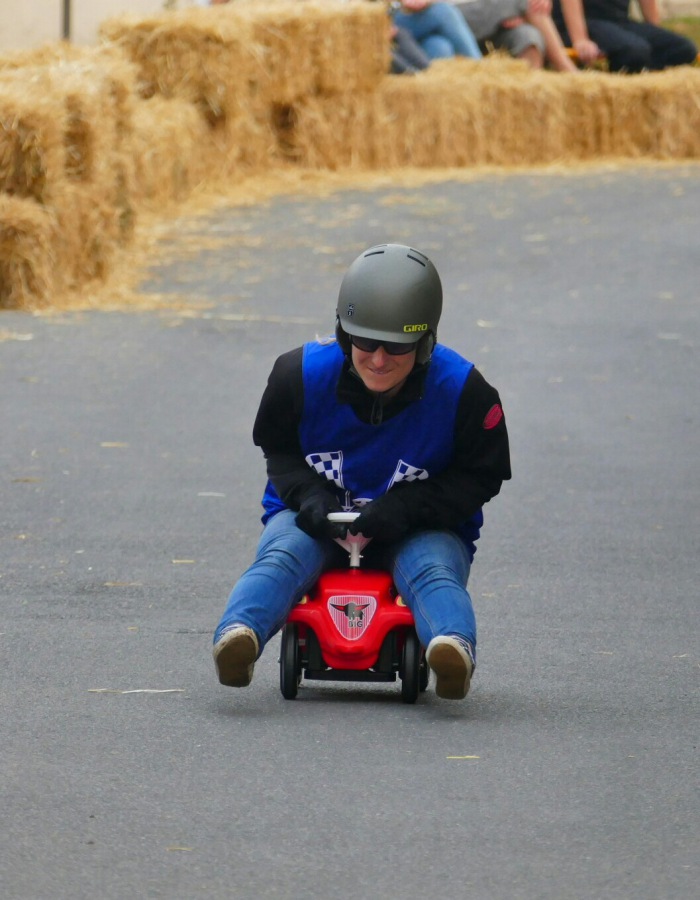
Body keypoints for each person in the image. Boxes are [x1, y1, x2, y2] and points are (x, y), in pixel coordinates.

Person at [212, 243, 512, 701]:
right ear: (342, 331)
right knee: (284, 555)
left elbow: (482, 475)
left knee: (431, 570)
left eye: (396, 346)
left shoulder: (466, 394)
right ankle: (239, 636)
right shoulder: (297, 376)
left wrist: (411, 507)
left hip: (419, 525)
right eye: (364, 341)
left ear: (425, 342)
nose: (377, 358)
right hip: (316, 518)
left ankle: (451, 648)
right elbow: (279, 450)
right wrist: (309, 497)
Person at [552, 0, 697, 72]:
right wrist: (580, 39)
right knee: (634, 51)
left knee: (683, 49)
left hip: (618, 21)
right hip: (583, 21)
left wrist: (655, 33)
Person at [390, 0, 484, 60]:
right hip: (390, 23)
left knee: (440, 46)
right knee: (443, 11)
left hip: (404, 18)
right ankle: (478, 66)